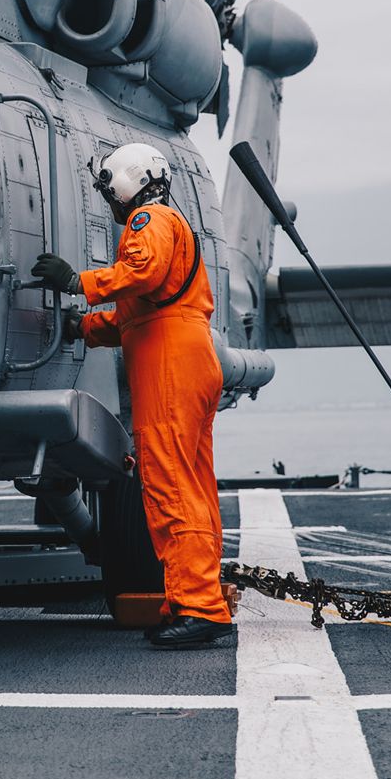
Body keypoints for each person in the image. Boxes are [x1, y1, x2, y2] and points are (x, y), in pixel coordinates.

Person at [30, 143, 230, 650]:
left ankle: (200, 608)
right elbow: (131, 318)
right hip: (188, 355)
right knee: (194, 487)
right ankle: (194, 598)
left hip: (169, 365)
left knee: (168, 488)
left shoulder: (148, 220)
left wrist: (77, 282)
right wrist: (82, 328)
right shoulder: (172, 221)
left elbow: (140, 273)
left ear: (126, 182)